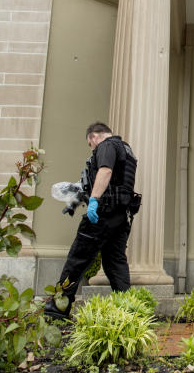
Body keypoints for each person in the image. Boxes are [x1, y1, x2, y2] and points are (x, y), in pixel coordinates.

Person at [44, 122, 140, 319]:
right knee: (115, 264)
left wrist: (94, 200)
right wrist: (77, 199)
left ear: (95, 136)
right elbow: (115, 183)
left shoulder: (106, 145)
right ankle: (128, 312)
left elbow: (105, 172)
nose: (92, 148)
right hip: (121, 216)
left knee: (77, 258)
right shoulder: (127, 150)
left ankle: (58, 307)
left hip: (102, 214)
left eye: (90, 144)